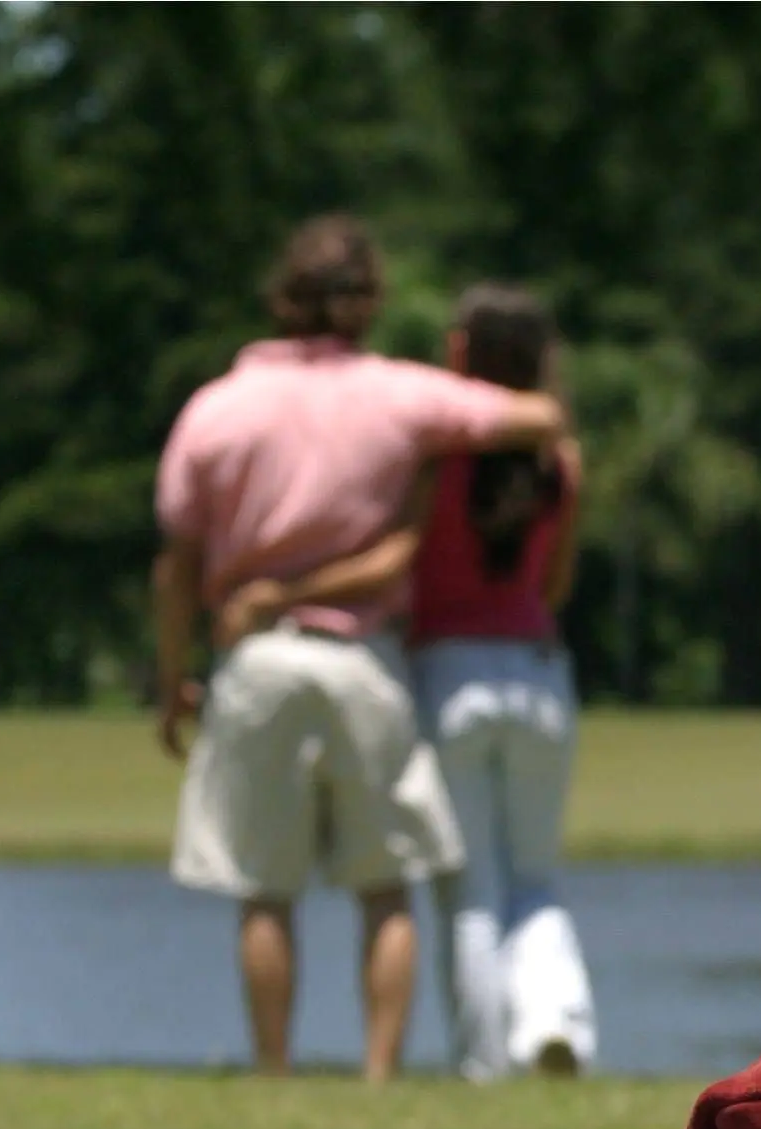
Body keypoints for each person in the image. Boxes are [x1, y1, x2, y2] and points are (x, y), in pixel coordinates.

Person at [151, 215, 568, 1081]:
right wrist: (436, 453)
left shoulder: (217, 408)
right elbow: (537, 417)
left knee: (264, 889)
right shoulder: (400, 395)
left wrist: (170, 682)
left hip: (255, 661)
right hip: (365, 658)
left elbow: (176, 565)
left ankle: (275, 1069)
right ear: (367, 302)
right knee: (389, 885)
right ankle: (379, 1075)